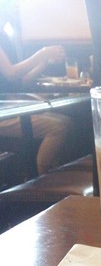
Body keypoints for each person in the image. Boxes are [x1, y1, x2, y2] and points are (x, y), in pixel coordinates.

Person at [0, 21, 75, 174]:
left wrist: (44, 61)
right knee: (58, 127)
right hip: (4, 112)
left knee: (66, 121)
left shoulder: (6, 36)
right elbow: (12, 73)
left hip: (8, 107)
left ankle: (50, 172)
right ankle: (40, 178)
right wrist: (43, 53)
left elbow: (22, 80)